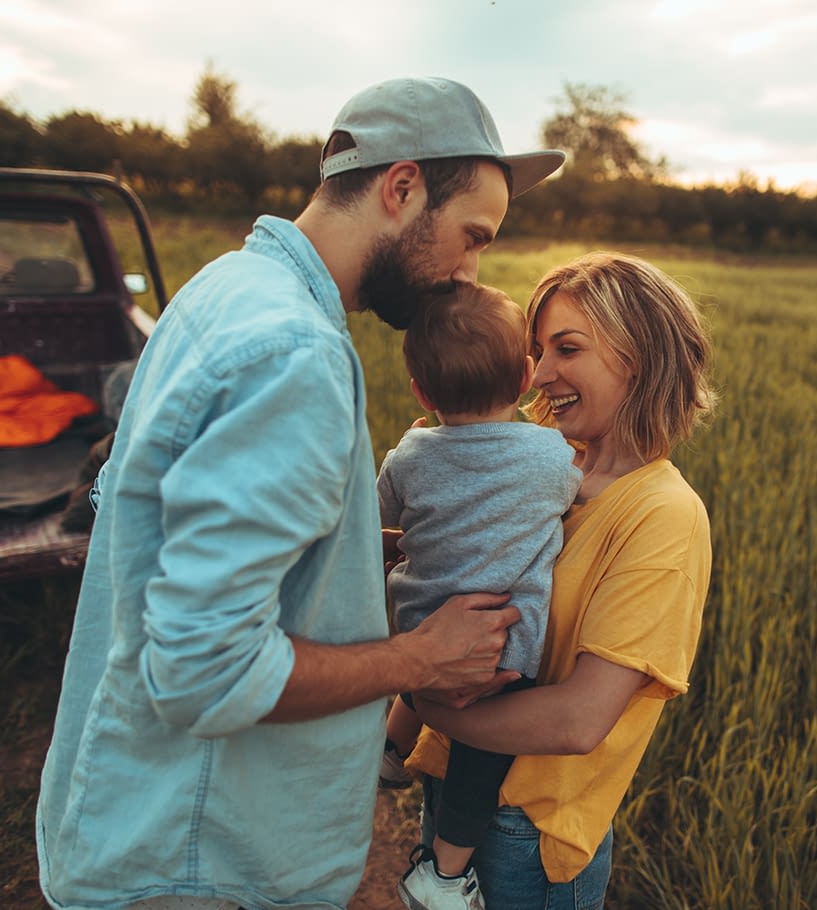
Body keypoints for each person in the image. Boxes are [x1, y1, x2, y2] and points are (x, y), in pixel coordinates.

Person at [35, 76, 564, 910]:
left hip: (154, 820)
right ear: (401, 187)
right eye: (472, 237)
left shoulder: (224, 291)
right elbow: (206, 672)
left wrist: (365, 549)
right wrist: (420, 657)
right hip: (205, 863)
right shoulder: (293, 355)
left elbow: (195, 539)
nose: (468, 272)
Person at [406, 251, 717, 909]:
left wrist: (425, 699)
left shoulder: (663, 516)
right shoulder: (540, 467)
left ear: (636, 356)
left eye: (566, 349)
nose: (539, 375)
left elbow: (579, 719)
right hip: (451, 787)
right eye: (536, 351)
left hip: (529, 837)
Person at [374, 283, 582, 910]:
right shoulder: (550, 454)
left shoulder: (409, 454)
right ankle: (442, 875)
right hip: (500, 647)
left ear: (421, 392)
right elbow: (570, 495)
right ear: (525, 377)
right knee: (482, 757)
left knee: (424, 658)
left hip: (418, 626)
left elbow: (374, 514)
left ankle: (387, 751)